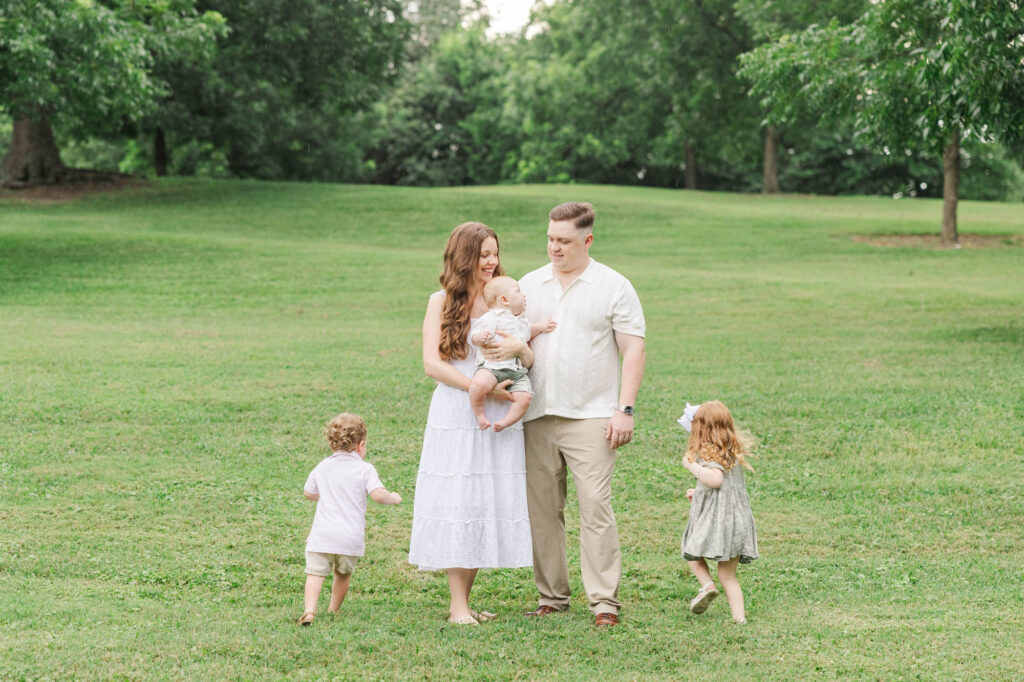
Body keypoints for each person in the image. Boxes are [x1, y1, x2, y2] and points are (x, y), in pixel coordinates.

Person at [505, 201, 646, 627]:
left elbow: (633, 348)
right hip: (537, 414)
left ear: (587, 240)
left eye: (564, 241)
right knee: (543, 510)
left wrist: (624, 410)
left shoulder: (614, 285)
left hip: (592, 417)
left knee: (595, 508)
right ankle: (552, 595)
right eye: (550, 239)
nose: (555, 248)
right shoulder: (530, 284)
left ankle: (604, 602)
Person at [408, 222, 534, 626]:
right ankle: (457, 605)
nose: (492, 261)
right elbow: (433, 365)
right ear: (464, 257)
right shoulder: (440, 301)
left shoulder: (505, 299)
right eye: (483, 255)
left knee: (485, 500)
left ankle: (465, 600)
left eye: (495, 253)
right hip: (458, 412)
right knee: (461, 499)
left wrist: (520, 353)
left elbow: (528, 355)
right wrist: (482, 391)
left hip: (498, 414)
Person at [299, 412, 402, 626]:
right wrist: (393, 497)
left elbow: (309, 493)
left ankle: (309, 610)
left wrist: (323, 494)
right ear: (360, 445)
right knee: (343, 574)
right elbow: (378, 495)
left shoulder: (323, 466)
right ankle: (333, 610)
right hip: (350, 537)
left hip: (322, 535)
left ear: (332, 444)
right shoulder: (365, 469)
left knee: (315, 574)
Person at [679, 400, 758, 624]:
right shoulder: (732, 451)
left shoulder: (706, 453)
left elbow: (715, 479)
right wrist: (699, 491)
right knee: (728, 575)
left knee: (691, 550)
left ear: (701, 428)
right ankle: (739, 619)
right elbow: (723, 487)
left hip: (718, 522)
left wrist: (691, 466)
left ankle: (707, 586)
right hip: (737, 522)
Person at [468, 276, 556, 432]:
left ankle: (505, 422)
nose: (524, 295)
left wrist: (541, 327)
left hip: (516, 372)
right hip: (491, 368)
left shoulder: (521, 321)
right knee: (478, 384)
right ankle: (480, 414)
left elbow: (529, 332)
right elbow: (474, 335)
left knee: (525, 397)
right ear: (505, 300)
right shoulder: (491, 317)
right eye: (518, 292)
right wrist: (479, 338)